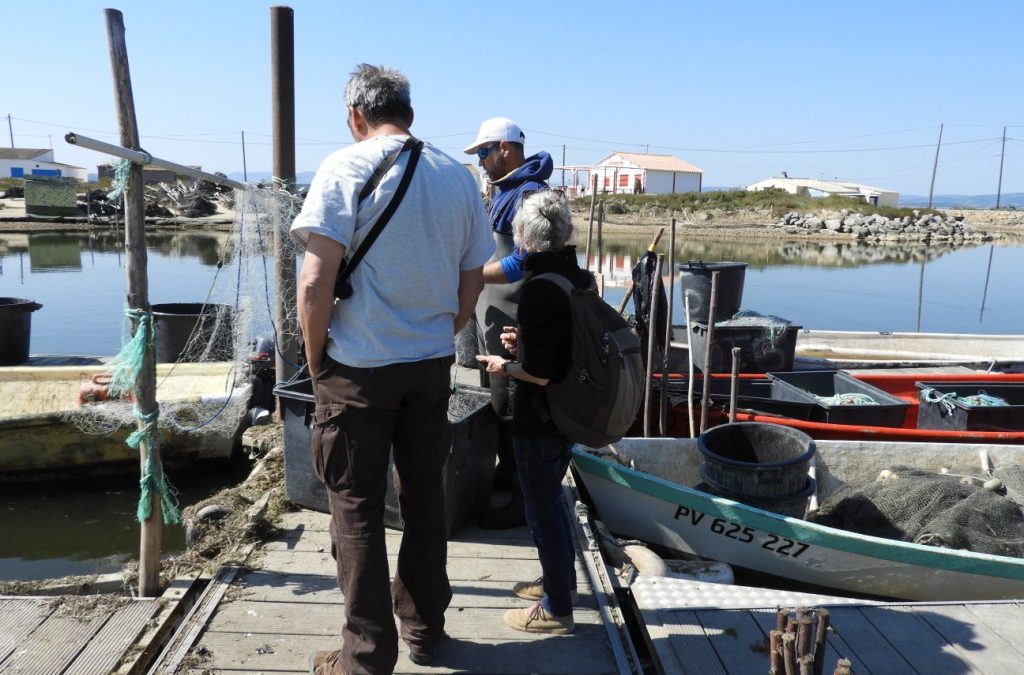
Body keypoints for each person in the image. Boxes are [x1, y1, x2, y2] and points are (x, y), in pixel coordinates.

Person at [292, 64, 494, 674]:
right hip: (430, 365)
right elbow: (472, 281)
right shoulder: (456, 176)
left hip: (358, 367)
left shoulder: (344, 167)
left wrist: (315, 359)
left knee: (355, 506)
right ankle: (425, 633)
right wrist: (441, 333)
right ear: (407, 111)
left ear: (356, 114)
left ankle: (366, 655)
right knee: (426, 499)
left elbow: (313, 283)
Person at [475, 190, 589, 635]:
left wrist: (506, 364)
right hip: (567, 413)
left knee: (541, 508)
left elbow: (541, 373)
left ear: (521, 236)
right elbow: (564, 349)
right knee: (553, 503)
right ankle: (561, 581)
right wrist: (521, 343)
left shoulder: (539, 289)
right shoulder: (578, 277)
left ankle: (557, 607)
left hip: (539, 417)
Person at [463, 117, 553, 529]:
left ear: (505, 147)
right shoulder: (505, 191)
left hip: (515, 321)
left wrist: (470, 276)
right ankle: (505, 471)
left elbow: (522, 262)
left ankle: (521, 496)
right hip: (493, 316)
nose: (480, 162)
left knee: (516, 406)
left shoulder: (530, 194)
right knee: (497, 401)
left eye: (483, 153)